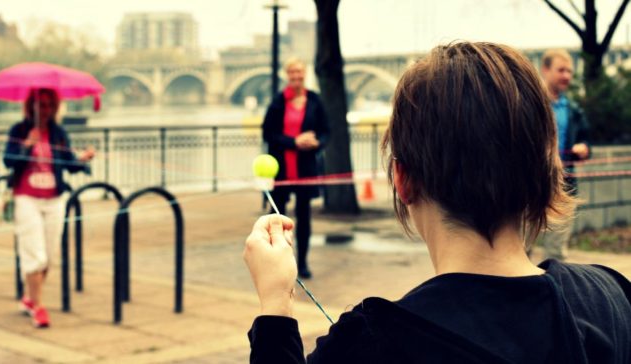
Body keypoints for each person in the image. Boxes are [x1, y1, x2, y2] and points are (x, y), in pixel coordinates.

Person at [243, 42, 631, 363]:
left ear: (403, 180)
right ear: (547, 169)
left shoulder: (370, 344)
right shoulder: (610, 299)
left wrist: (275, 306)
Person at [3, 88, 95, 328]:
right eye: (39, 104)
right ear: (30, 106)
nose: (43, 110)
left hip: (54, 199)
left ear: (54, 108)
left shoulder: (58, 133)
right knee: (35, 253)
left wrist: (82, 160)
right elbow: (8, 161)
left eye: (47, 105)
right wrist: (26, 145)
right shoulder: (19, 130)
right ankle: (39, 307)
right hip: (26, 198)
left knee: (50, 257)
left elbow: (67, 163)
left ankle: (29, 297)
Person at [261, 57, 330, 279]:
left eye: (300, 73)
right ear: (287, 75)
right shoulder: (278, 101)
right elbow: (268, 133)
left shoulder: (315, 101)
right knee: (276, 218)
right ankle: (275, 262)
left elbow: (326, 131)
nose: (296, 77)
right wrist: (294, 142)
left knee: (304, 217)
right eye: (292, 73)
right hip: (281, 168)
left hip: (305, 168)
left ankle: (302, 263)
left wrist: (318, 142)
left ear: (304, 74)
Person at [539, 49, 591, 261]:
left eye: (570, 71)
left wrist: (584, 148)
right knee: (517, 248)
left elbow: (587, 141)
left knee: (556, 254)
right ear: (545, 70)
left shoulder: (574, 109)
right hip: (528, 184)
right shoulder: (527, 103)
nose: (567, 76)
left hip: (563, 185)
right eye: (561, 70)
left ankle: (552, 292)